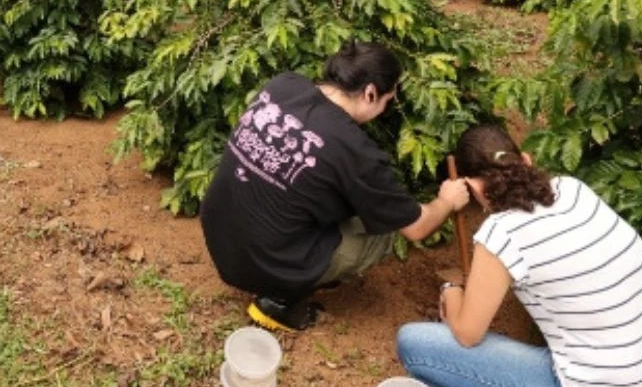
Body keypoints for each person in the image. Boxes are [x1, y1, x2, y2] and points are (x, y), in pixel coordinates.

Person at [396, 124, 642, 387]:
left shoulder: (502, 234)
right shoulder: (572, 189)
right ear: (526, 160)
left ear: (473, 187)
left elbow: (466, 333)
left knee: (414, 344)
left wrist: (451, 290)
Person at [200, 41, 471, 331]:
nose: (384, 108)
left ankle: (298, 271)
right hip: (263, 265)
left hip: (220, 238)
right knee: (384, 234)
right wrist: (447, 200)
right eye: (387, 101)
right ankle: (281, 300)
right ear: (370, 93)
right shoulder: (354, 149)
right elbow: (416, 226)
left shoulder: (283, 85)